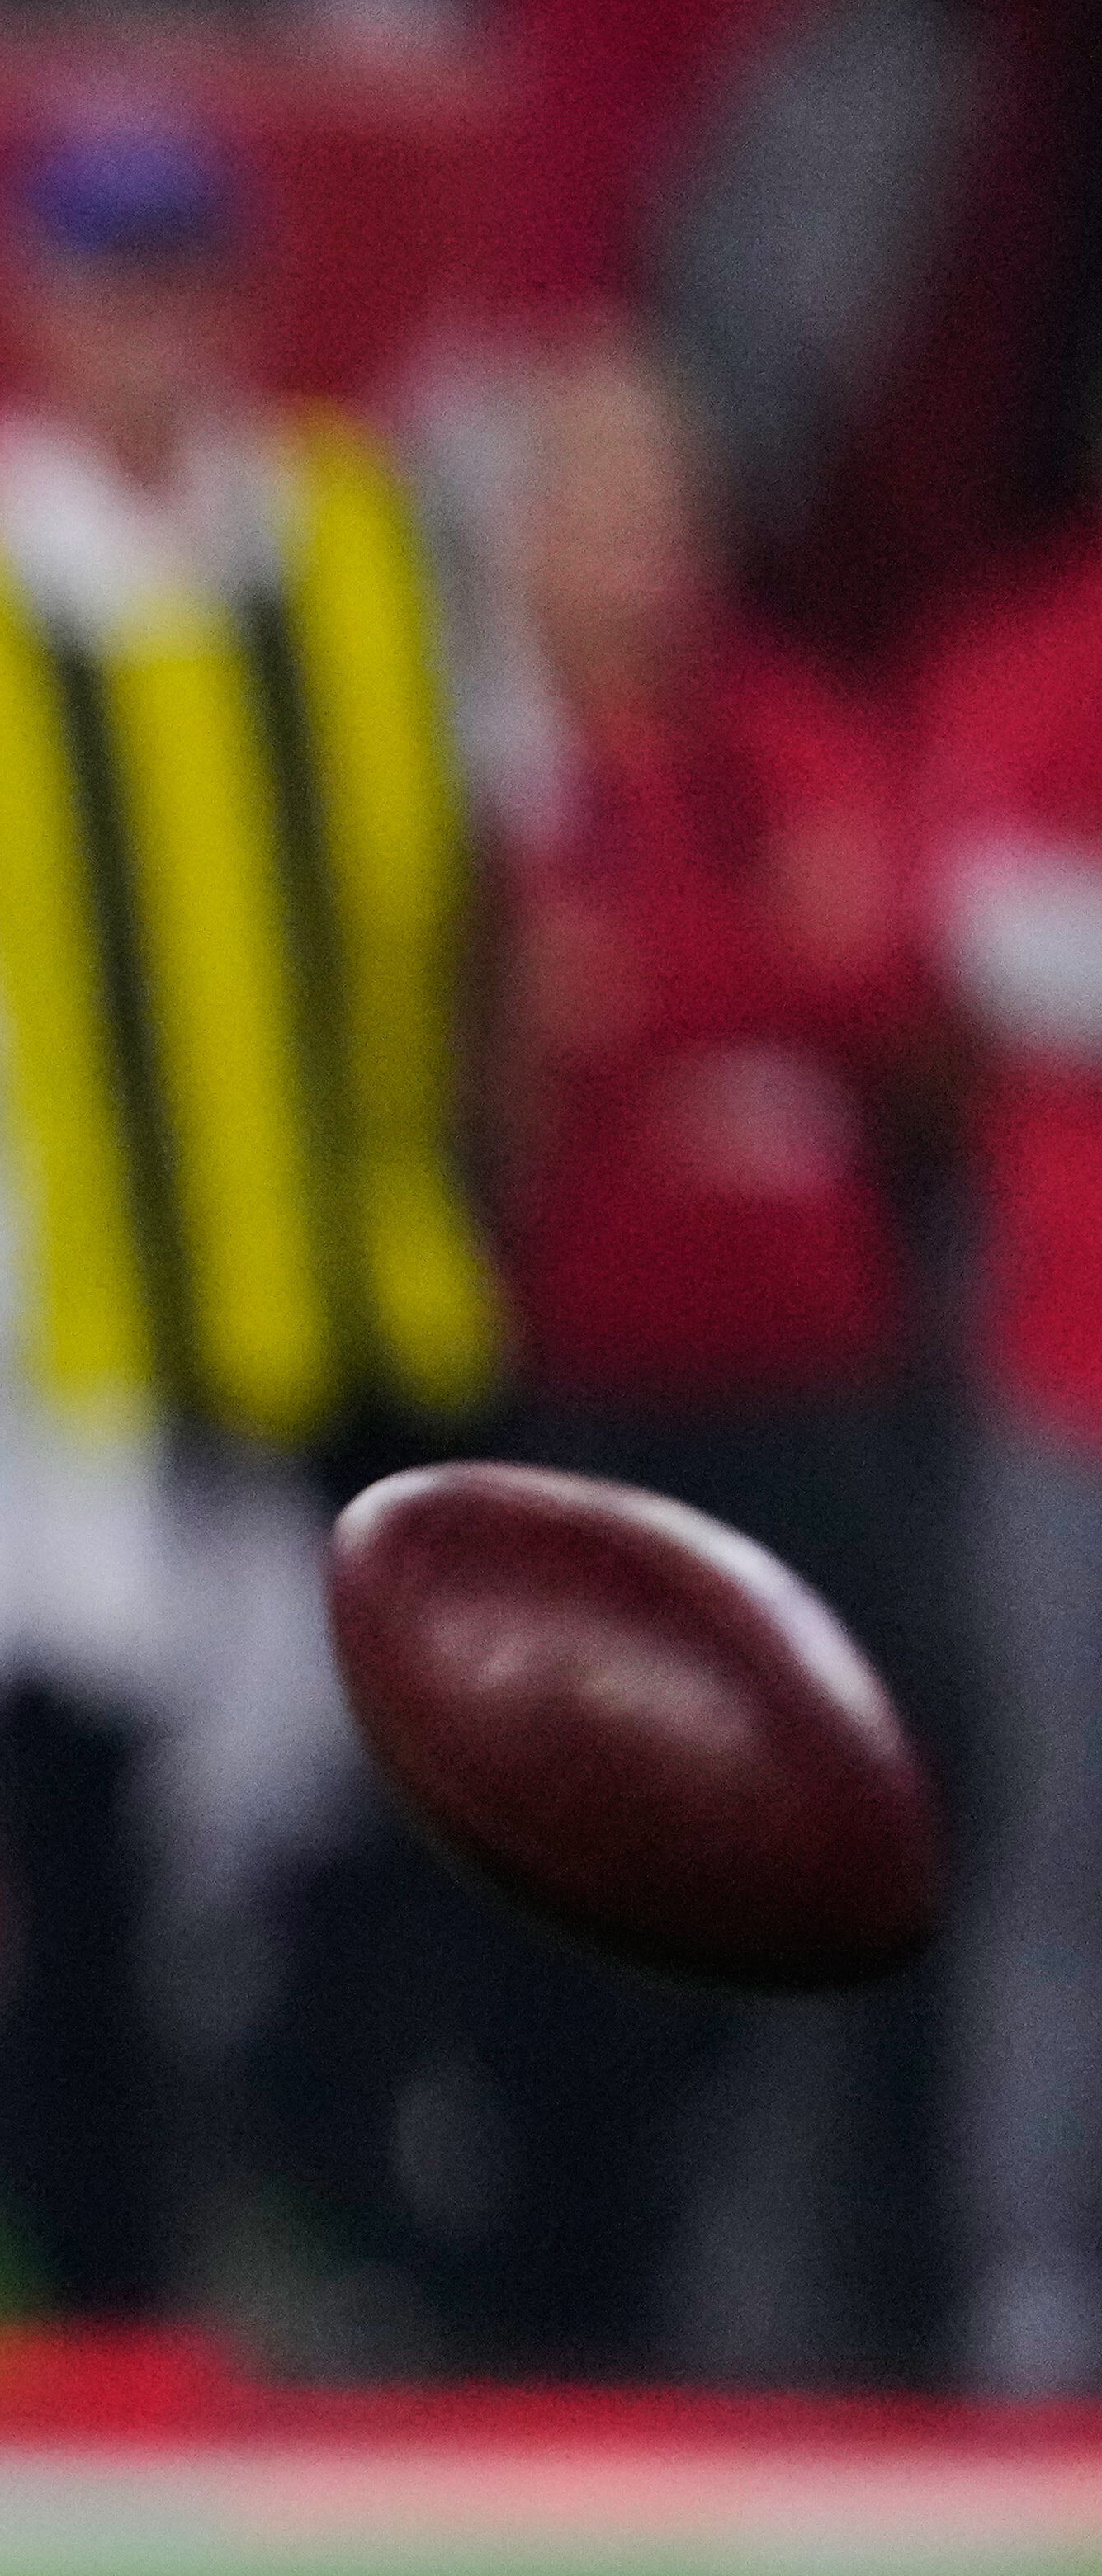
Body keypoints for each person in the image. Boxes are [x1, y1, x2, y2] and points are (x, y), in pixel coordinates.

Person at [0, 100, 511, 2355]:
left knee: (368, 1829)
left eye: (182, 273)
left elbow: (496, 906)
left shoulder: (368, 539)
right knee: (64, 1824)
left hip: (355, 1283)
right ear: (30, 306)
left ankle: (363, 2264)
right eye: (105, 278)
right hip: (41, 1310)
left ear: (242, 294)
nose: (150, 324)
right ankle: (107, 2297)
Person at [464, 338, 939, 2373]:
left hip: (807, 1386)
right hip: (583, 1391)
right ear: (525, 543)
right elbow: (485, 1078)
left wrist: (654, 1003)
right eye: (596, 512)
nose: (637, 556)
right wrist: (716, 1001)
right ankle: (586, 2313)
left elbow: (883, 989)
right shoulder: (489, 775)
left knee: (833, 1842)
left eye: (663, 511)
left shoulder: (790, 738)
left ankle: (846, 2306)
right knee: (588, 1871)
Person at [926, 475, 1102, 2401]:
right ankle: (1039, 2278)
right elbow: (991, 937)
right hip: (1075, 1363)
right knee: (1064, 1842)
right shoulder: (1039, 656)